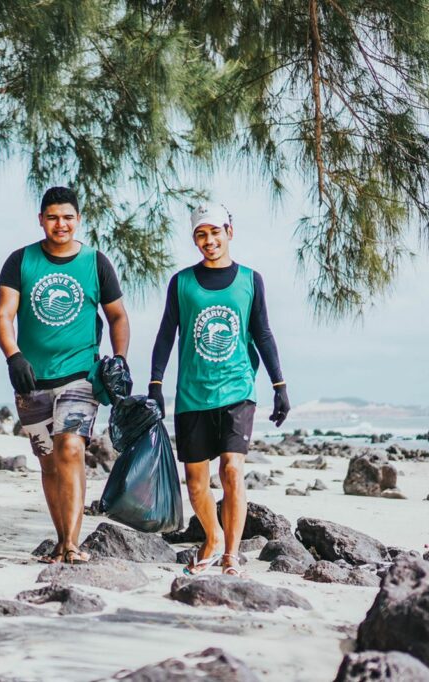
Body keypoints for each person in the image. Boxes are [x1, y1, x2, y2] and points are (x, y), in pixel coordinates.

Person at [149, 205, 290, 577]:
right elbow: (166, 334)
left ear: (230, 231)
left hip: (238, 389)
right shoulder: (182, 283)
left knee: (231, 469)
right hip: (192, 394)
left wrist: (279, 385)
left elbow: (262, 332)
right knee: (196, 482)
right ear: (194, 238)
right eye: (200, 234)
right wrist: (155, 384)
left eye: (215, 232)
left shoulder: (250, 279)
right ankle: (211, 538)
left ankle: (231, 554)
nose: (209, 241)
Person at [0, 186, 130, 564]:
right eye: (53, 217)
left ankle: (72, 543)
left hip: (80, 374)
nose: (61, 224)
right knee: (48, 460)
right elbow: (4, 313)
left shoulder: (95, 262)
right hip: (31, 380)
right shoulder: (20, 261)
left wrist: (119, 359)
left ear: (78, 220)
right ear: (41, 220)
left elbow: (117, 316)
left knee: (70, 449)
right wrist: (13, 355)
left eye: (68, 217)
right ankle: (61, 540)